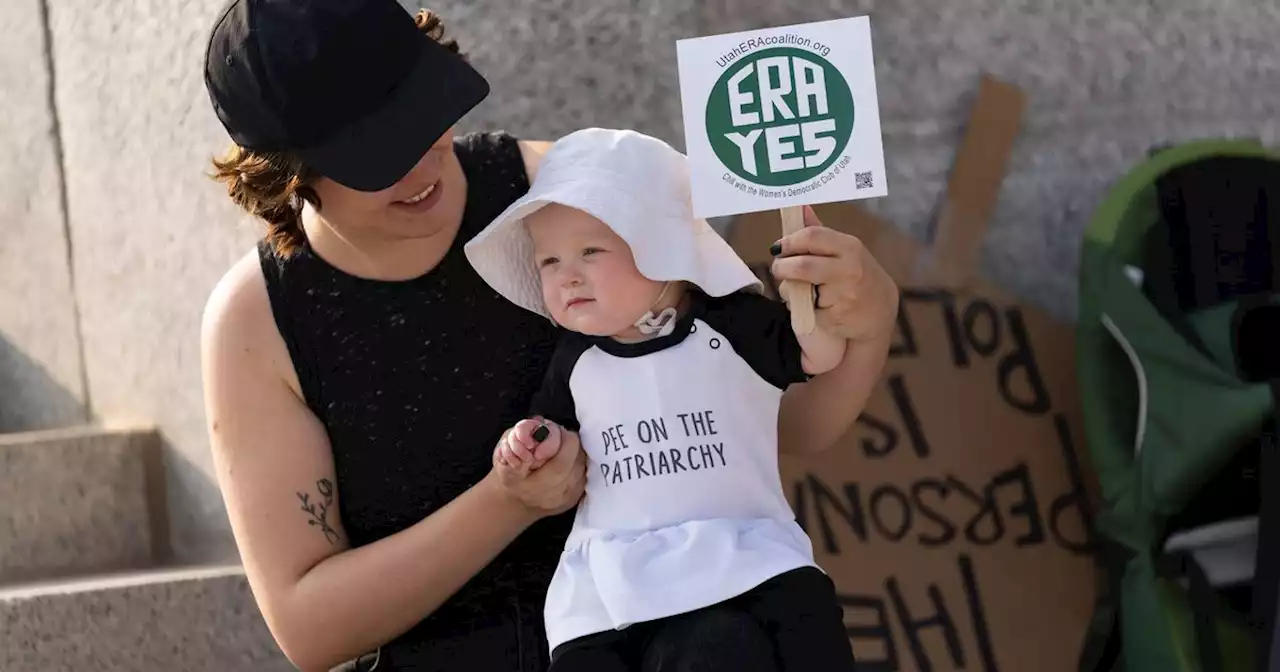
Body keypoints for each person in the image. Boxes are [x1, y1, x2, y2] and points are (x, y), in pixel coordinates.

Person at [197, 0, 899, 669]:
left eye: (421, 113)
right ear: (286, 177)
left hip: (684, 637)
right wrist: (507, 502)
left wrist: (865, 325)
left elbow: (779, 427)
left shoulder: (567, 194)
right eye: (376, 153)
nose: (420, 163)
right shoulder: (256, 323)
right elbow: (308, 626)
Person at [465, 128, 859, 672]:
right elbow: (556, 434)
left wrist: (814, 286)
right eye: (548, 261)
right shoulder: (574, 359)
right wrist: (536, 445)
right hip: (611, 578)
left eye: (590, 250)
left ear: (664, 245)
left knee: (807, 632)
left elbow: (817, 353)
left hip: (744, 552)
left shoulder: (733, 326)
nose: (567, 275)